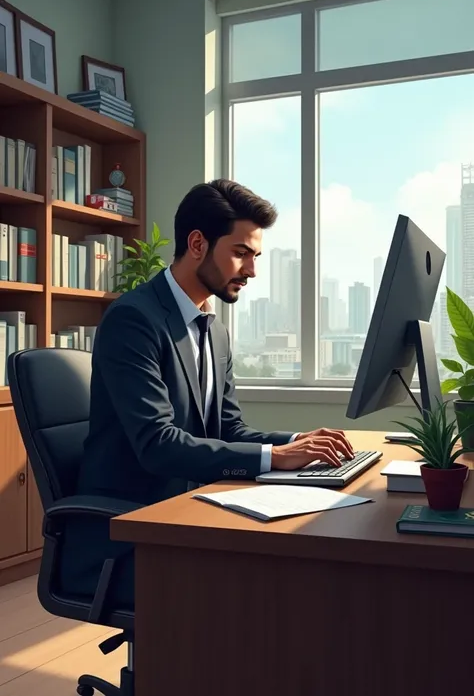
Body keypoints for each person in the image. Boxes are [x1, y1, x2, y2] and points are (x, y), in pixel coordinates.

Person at [63, 179, 354, 607]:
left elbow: (228, 427)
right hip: (130, 533)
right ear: (197, 243)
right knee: (282, 581)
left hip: (188, 513)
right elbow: (157, 444)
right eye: (241, 253)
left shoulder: (212, 330)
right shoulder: (134, 320)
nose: (252, 271)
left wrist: (298, 443)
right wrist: (274, 459)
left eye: (255, 256)